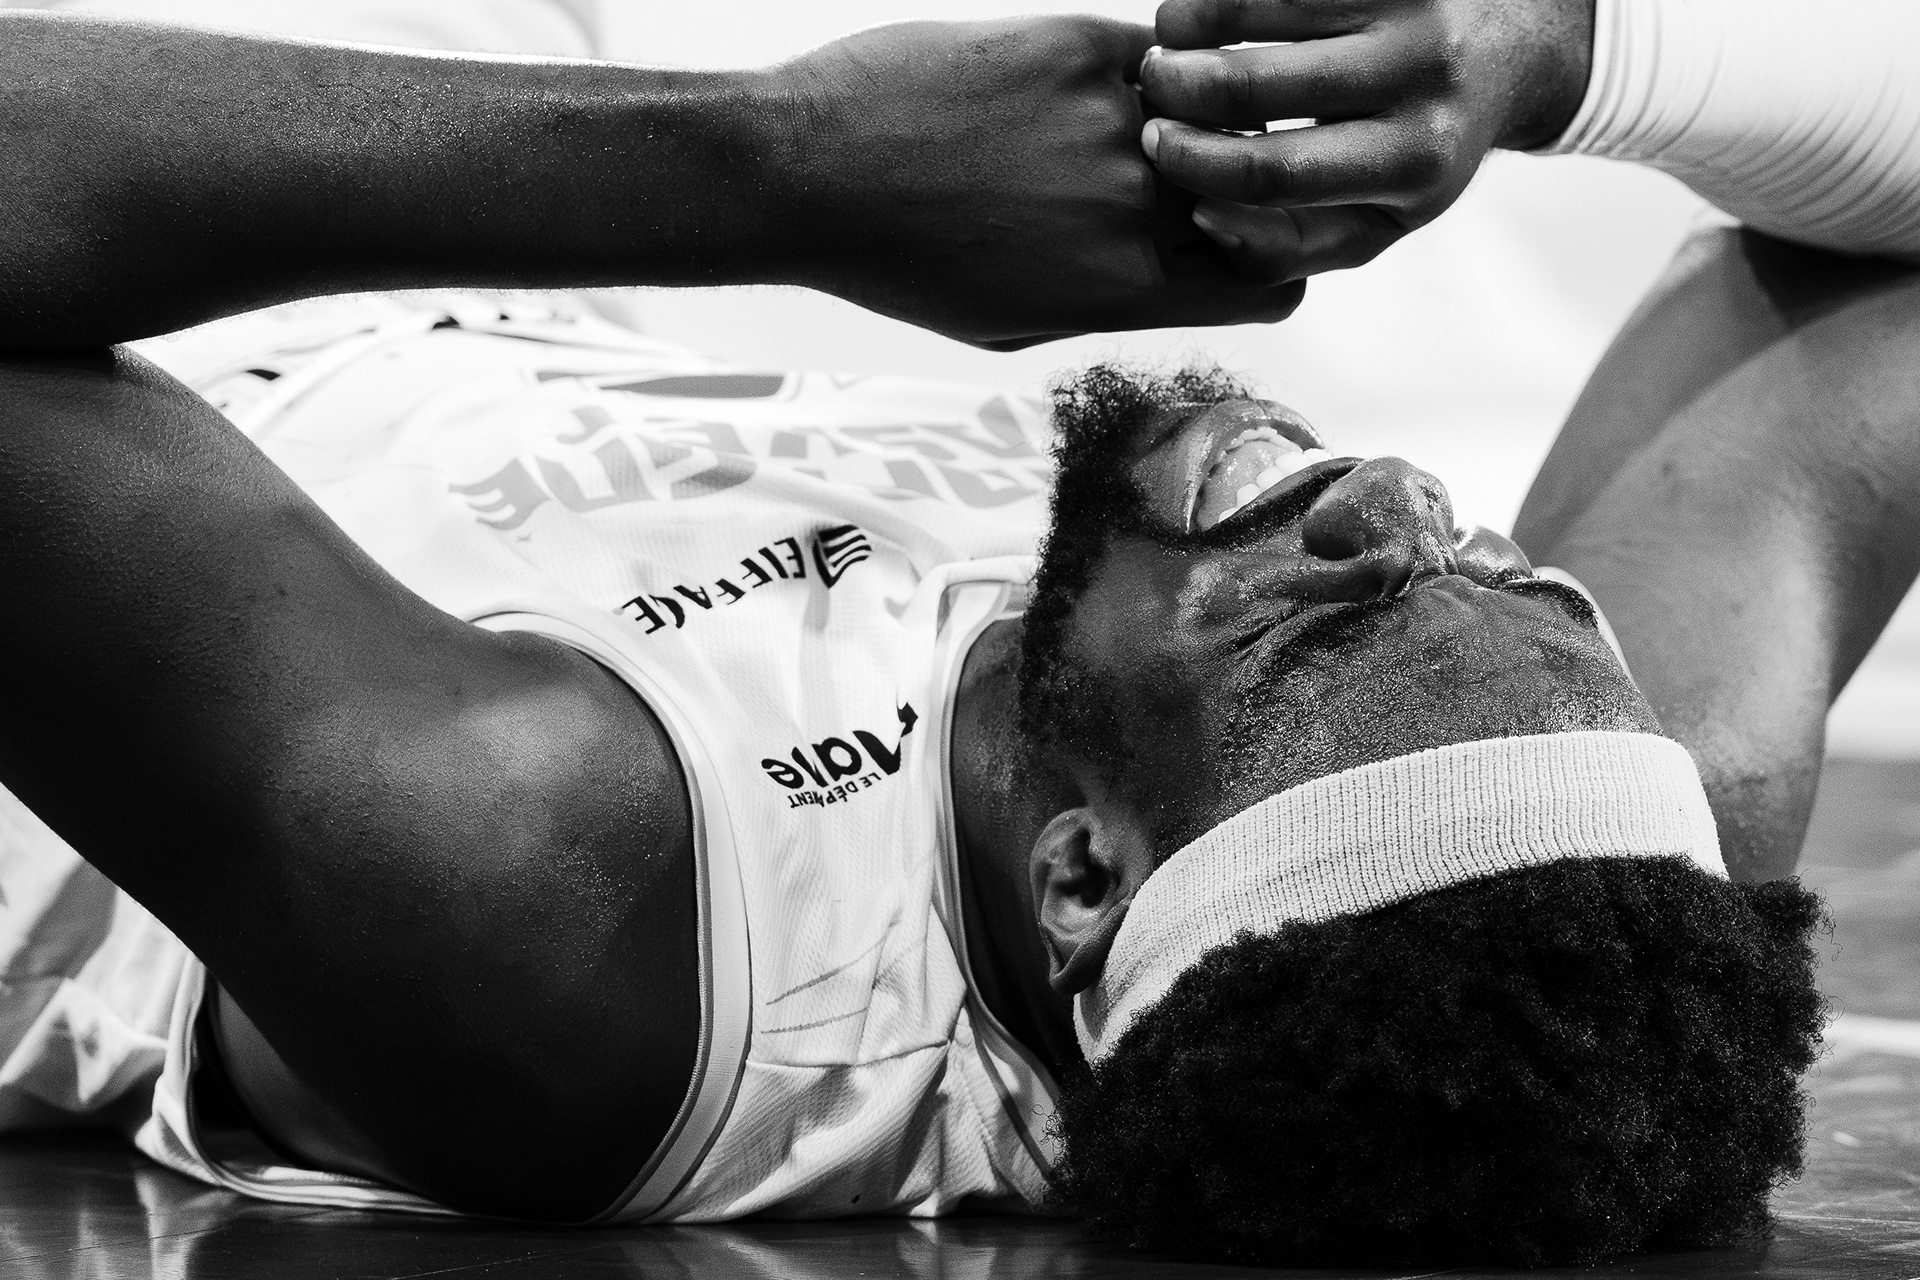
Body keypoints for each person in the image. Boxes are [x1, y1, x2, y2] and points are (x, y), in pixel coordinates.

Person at [0, 0, 1917, 1266]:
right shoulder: (1570, 821)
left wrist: (787, 166)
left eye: (1330, 613)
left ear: (1083, 874)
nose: (1396, 500)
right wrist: (1566, 52)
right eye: (1506, 574)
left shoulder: (555, 895)